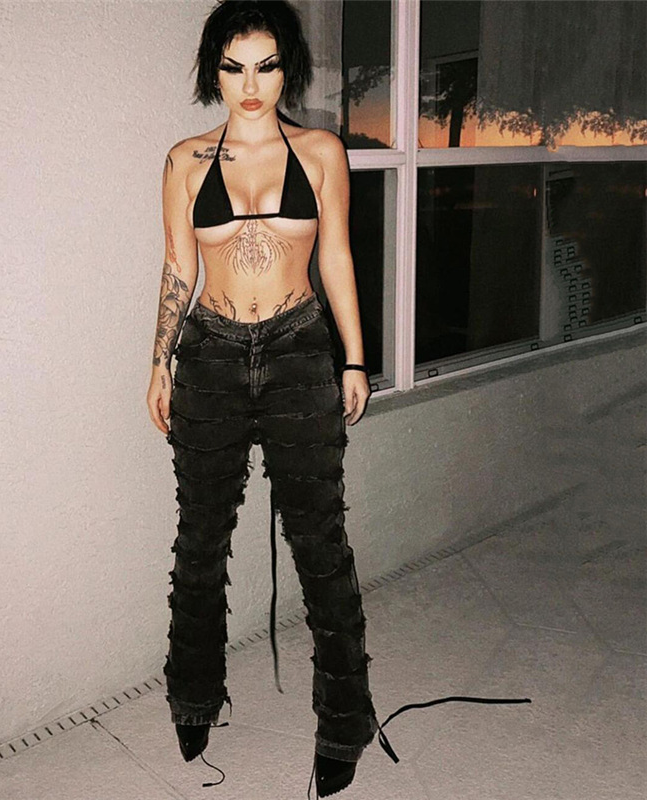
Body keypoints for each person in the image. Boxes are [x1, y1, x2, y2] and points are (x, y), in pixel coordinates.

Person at [146, 3, 531, 797]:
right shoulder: (184, 160)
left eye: (266, 65)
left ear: (286, 67)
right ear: (213, 70)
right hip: (210, 355)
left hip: (297, 349)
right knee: (199, 541)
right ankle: (193, 695)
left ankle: (346, 720)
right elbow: (178, 266)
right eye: (234, 66)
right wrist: (158, 362)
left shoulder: (320, 152)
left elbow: (338, 259)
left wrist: (355, 358)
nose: (250, 84)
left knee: (320, 543)